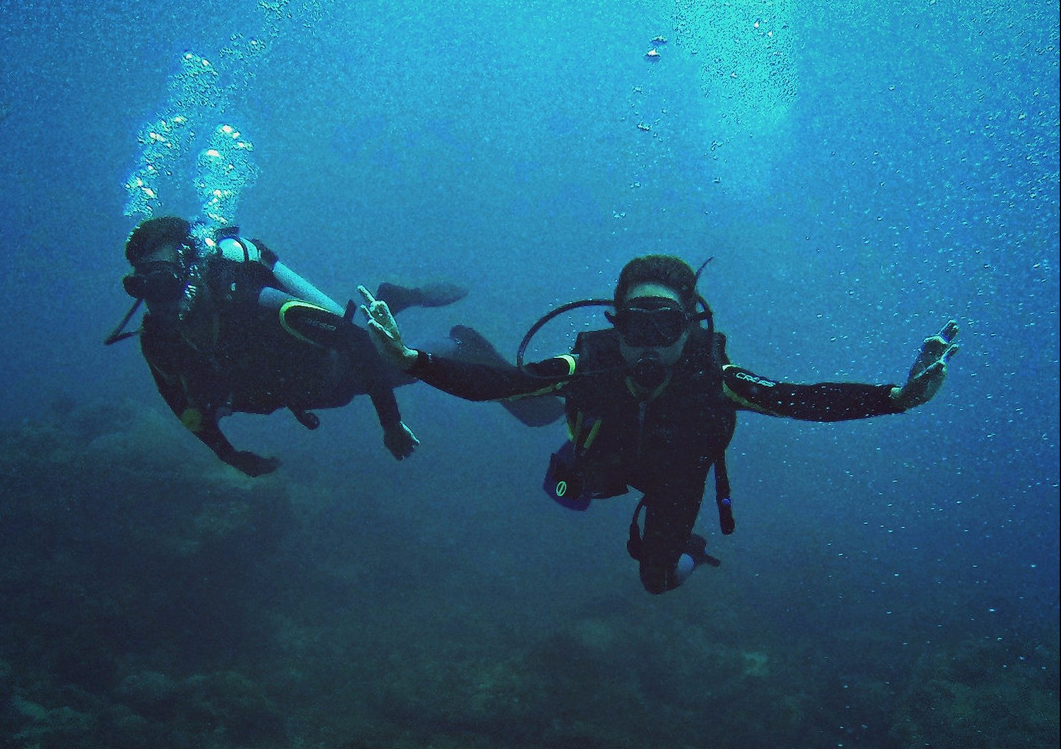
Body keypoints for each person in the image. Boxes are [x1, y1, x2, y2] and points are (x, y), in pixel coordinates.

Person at [359, 254, 959, 595]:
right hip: (603, 461)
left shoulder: (714, 378)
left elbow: (802, 399)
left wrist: (897, 396)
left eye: (665, 325)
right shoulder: (588, 366)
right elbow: (504, 385)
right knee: (532, 404)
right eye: (634, 324)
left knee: (655, 579)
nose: (647, 342)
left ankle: (687, 552)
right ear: (615, 323)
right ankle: (467, 345)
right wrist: (413, 361)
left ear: (690, 329)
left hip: (675, 482)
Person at [107, 216, 562, 476]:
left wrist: (391, 424)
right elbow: (178, 402)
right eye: (139, 284)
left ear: (188, 268)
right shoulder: (159, 340)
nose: (156, 297)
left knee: (400, 364)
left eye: (164, 280)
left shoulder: (258, 303)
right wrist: (228, 455)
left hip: (340, 370)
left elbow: (351, 339)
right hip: (297, 388)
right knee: (371, 342)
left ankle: (459, 341)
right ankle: (392, 300)